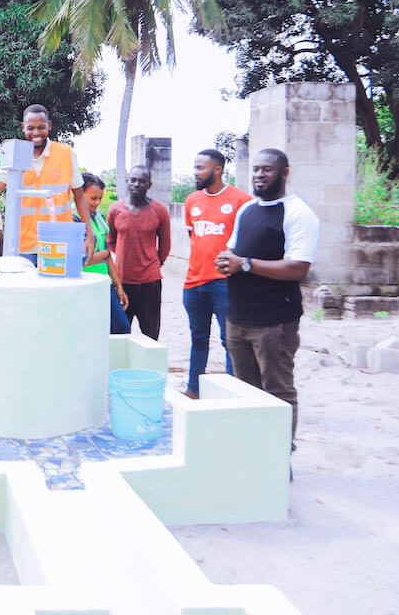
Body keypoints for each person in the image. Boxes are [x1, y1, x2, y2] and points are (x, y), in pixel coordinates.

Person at [216, 148, 319, 446]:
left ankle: (278, 458)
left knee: (278, 392)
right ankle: (254, 452)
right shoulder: (247, 210)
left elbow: (298, 268)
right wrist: (227, 261)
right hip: (237, 319)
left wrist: (244, 264)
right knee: (245, 389)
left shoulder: (298, 213)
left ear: (284, 173)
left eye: (268, 170)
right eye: (256, 169)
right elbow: (234, 251)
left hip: (274, 324)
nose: (260, 175)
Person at [0, 104, 95, 263]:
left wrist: (89, 234)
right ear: (23, 127)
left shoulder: (65, 153)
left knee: (56, 287)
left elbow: (79, 196)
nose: (36, 133)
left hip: (58, 243)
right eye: (31, 128)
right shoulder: (14, 153)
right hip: (23, 246)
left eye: (41, 127)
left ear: (49, 126)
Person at [182, 149, 252, 399]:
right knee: (198, 338)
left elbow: (245, 243)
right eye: (195, 166)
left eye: (201, 167)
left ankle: (231, 393)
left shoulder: (241, 201)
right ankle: (194, 389)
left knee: (230, 340)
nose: (196, 172)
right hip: (193, 283)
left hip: (225, 284)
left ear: (218, 170)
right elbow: (195, 238)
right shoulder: (192, 200)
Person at [106, 165, 171, 340]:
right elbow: (110, 240)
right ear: (127, 183)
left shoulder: (160, 210)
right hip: (121, 281)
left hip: (149, 283)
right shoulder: (115, 209)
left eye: (141, 181)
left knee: (150, 334)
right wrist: (123, 256)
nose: (136, 184)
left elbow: (165, 245)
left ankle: (148, 367)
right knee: (119, 333)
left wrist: (154, 263)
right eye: (132, 180)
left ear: (149, 185)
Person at [77, 173, 130, 334]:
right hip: (84, 286)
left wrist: (118, 285)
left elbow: (106, 254)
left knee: (121, 329)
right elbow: (84, 260)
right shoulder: (72, 218)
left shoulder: (98, 215)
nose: (98, 202)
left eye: (100, 198)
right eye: (93, 198)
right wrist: (106, 254)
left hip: (104, 283)